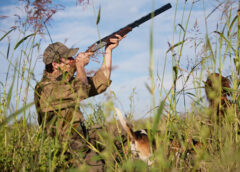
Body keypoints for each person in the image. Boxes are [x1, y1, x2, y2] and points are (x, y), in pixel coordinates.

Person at [34, 34, 126, 170]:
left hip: (80, 135)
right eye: (69, 58)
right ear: (55, 64)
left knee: (122, 132)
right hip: (67, 144)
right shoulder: (46, 88)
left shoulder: (67, 82)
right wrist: (80, 66)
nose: (73, 60)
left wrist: (108, 51)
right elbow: (81, 92)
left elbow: (100, 83)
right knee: (97, 167)